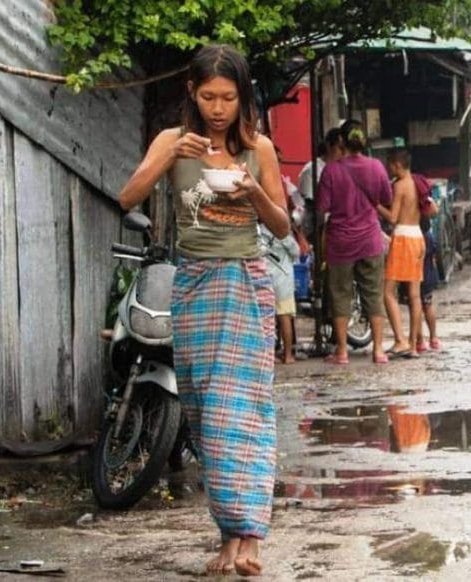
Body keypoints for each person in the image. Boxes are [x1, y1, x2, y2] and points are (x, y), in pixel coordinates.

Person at [117, 44, 288, 577]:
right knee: (205, 414)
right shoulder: (172, 141)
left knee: (246, 409)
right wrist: (171, 156)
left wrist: (254, 188)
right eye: (209, 96)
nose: (218, 108)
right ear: (192, 92)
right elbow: (128, 197)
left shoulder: (258, 147)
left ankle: (251, 535)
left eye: (229, 98)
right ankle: (227, 534)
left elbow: (282, 226)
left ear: (243, 98)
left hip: (244, 283)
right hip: (192, 286)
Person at [316, 123, 391, 365]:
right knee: (374, 293)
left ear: (341, 143)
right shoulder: (376, 166)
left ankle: (342, 352)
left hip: (341, 242)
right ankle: (379, 350)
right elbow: (386, 198)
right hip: (370, 239)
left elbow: (322, 207)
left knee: (340, 294)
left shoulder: (330, 171)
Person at [376, 149, 425, 359]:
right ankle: (413, 345)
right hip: (418, 236)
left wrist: (376, 205)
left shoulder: (399, 185)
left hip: (403, 238)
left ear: (396, 165)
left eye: (390, 165)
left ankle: (400, 339)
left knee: (388, 292)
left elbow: (393, 217)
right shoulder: (417, 182)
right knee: (415, 295)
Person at [260, 220, 300, 364]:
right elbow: (296, 251)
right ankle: (288, 355)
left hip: (264, 277)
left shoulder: (258, 230)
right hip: (283, 279)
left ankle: (268, 356)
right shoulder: (282, 230)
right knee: (285, 317)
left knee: (265, 319)